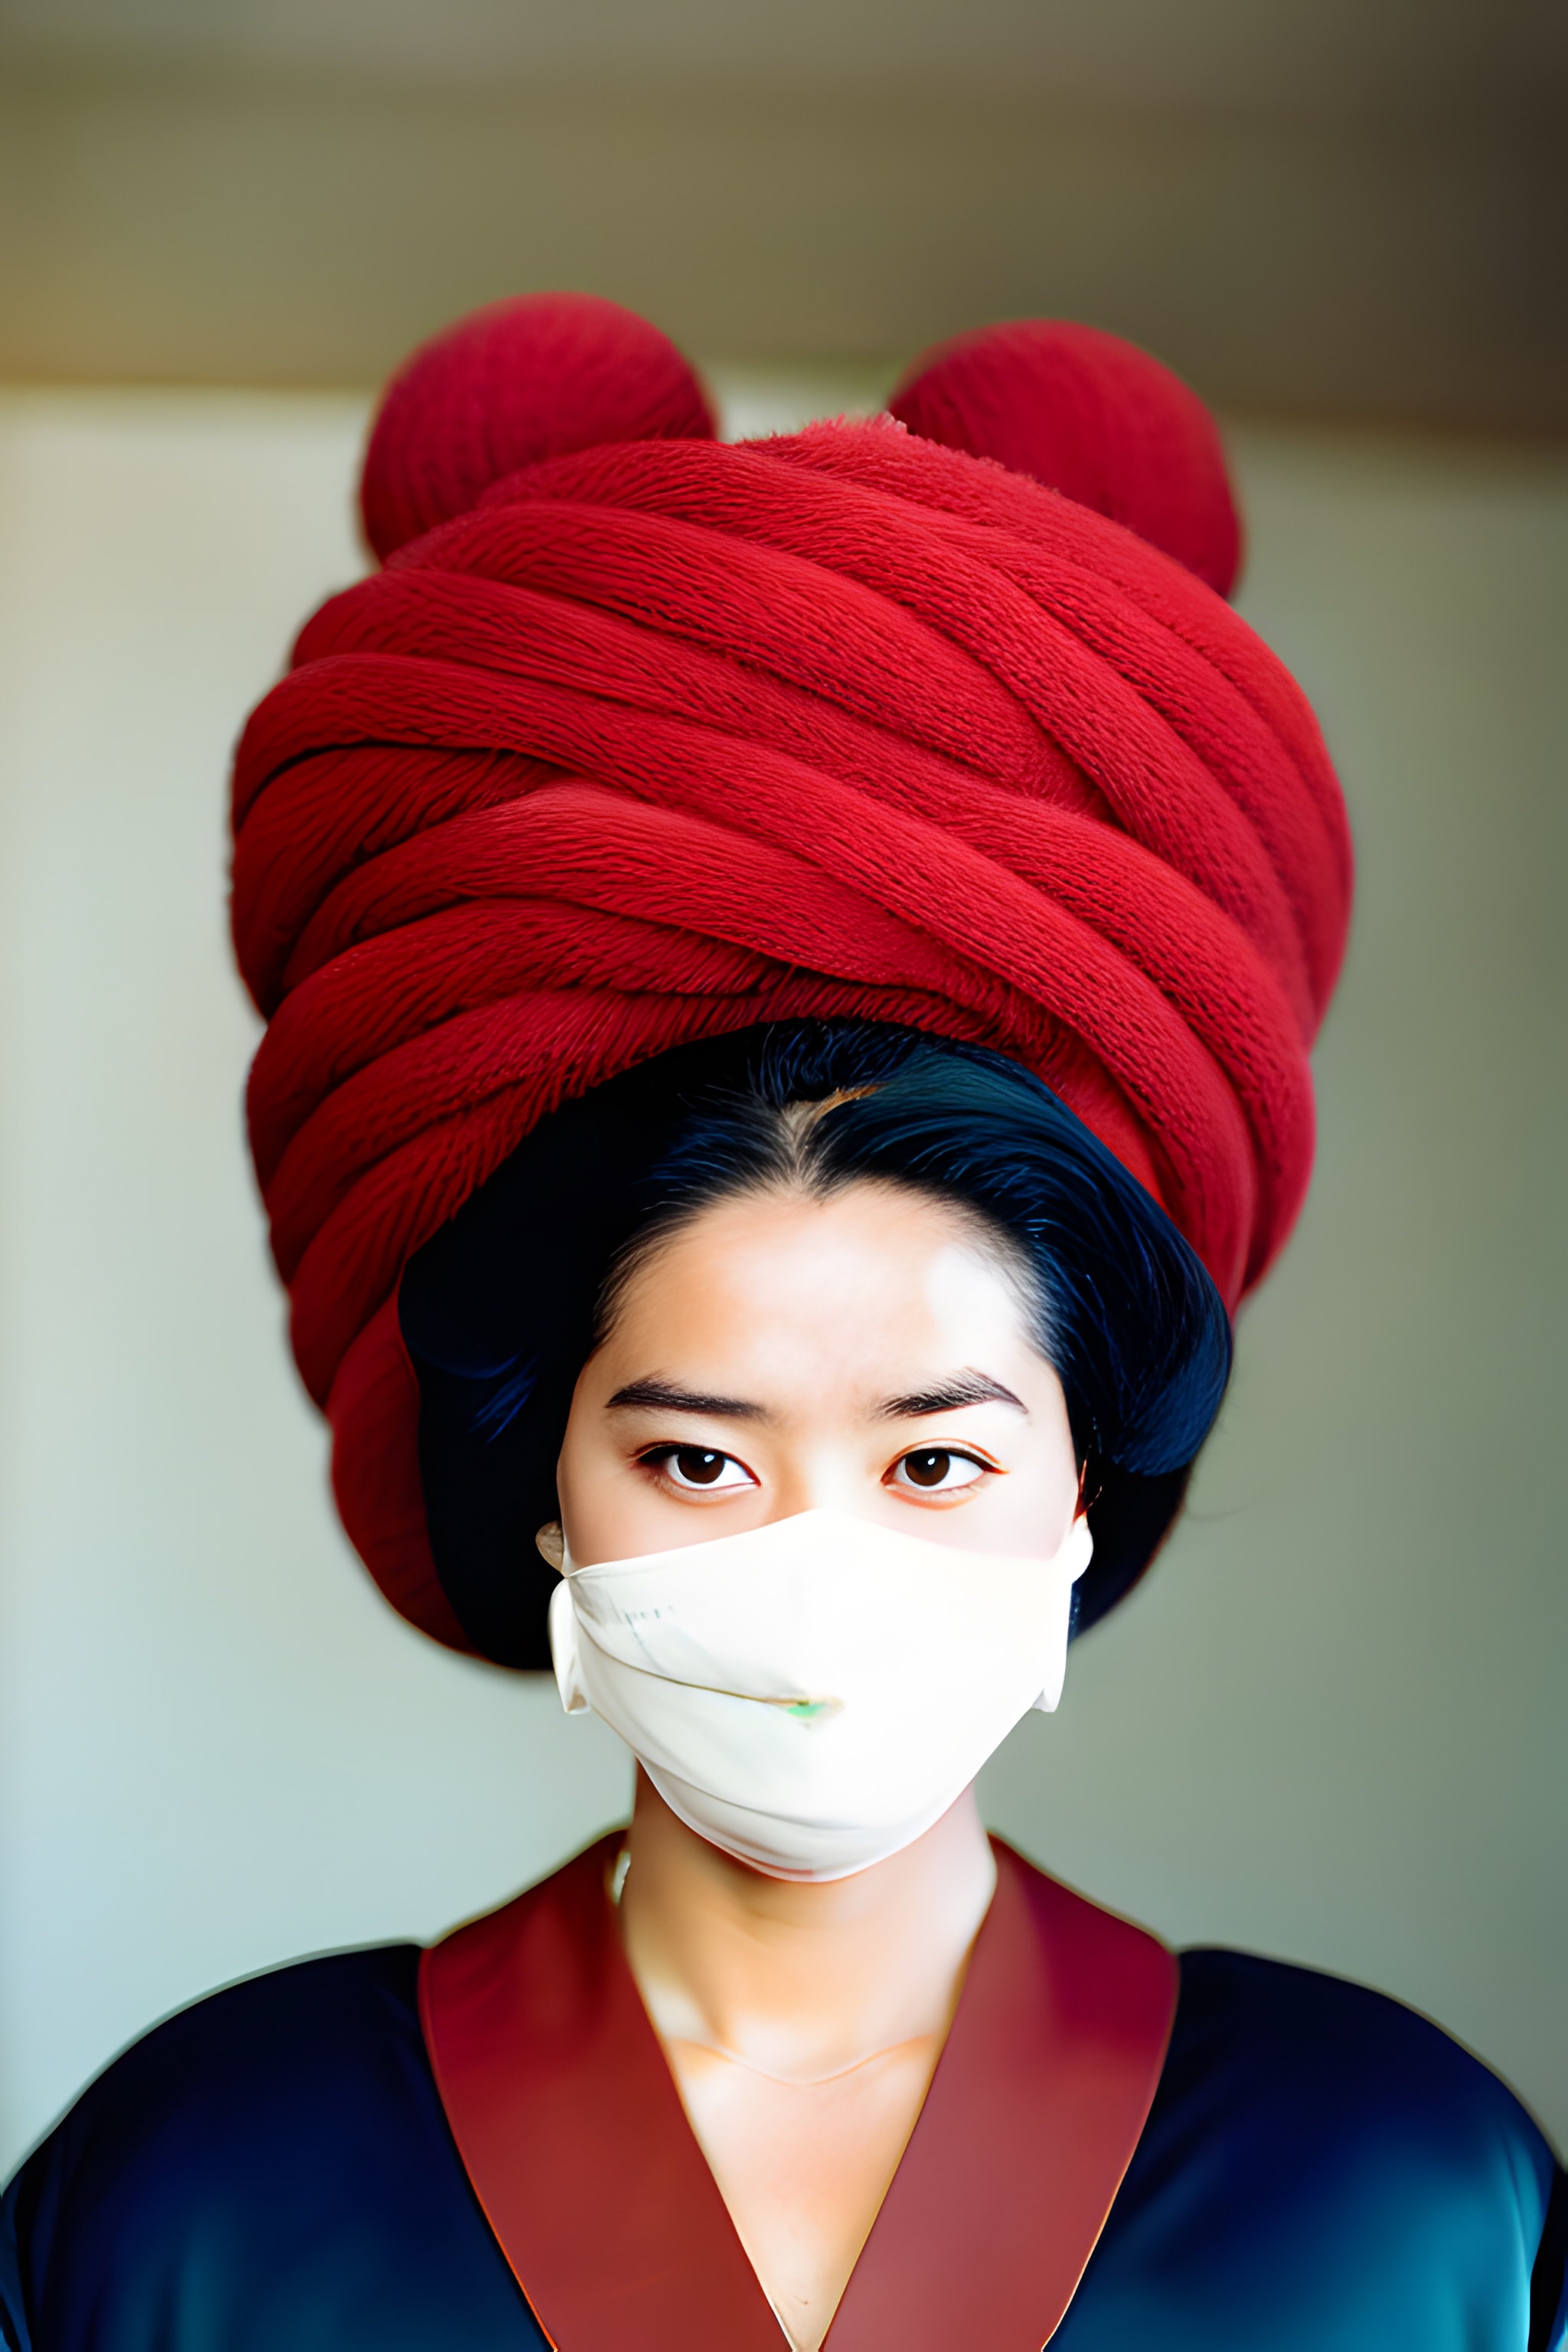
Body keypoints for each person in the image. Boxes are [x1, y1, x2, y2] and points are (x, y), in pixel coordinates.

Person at [2, 296, 1562, 2351]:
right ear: (548, 1486)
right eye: (699, 1459)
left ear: (1079, 1495)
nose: (817, 1566)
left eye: (935, 1460)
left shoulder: (1397, 2195)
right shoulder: (202, 2186)